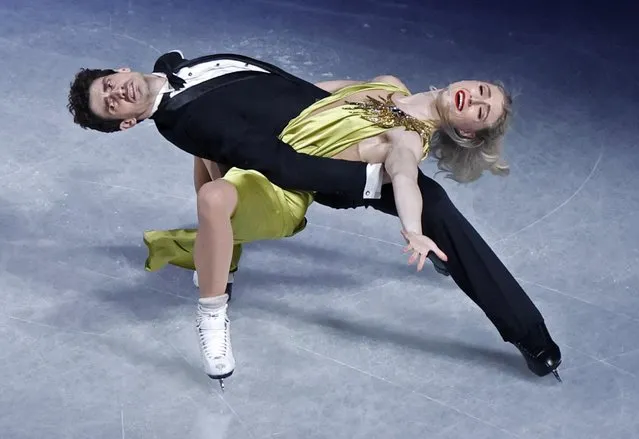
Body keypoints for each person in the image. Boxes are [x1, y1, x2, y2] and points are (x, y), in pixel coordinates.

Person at [67, 50, 562, 389]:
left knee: (433, 210)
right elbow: (309, 93)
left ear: (467, 134)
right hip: (293, 151)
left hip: (351, 176)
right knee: (210, 145)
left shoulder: (410, 141)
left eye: (480, 109)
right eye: (480, 91)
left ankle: (530, 335)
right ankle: (224, 261)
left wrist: (411, 228)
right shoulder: (389, 85)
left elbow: (404, 177)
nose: (473, 99)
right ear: (464, 79)